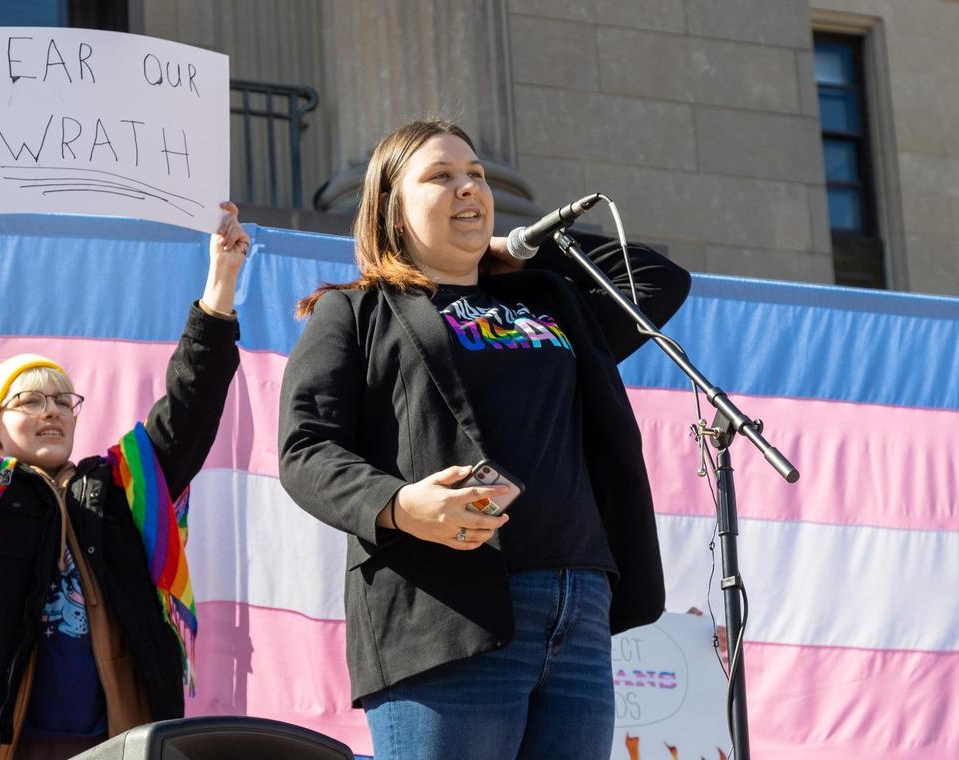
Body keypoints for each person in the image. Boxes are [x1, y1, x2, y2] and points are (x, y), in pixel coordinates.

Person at [278, 120, 691, 760]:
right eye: (441, 177)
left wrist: (525, 248)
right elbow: (306, 448)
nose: (469, 187)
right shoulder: (357, 312)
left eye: (475, 174)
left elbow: (658, 279)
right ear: (390, 205)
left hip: (576, 605)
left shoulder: (549, 302)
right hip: (448, 609)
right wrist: (397, 505)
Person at [0, 169, 250, 760]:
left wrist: (221, 280)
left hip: (115, 742)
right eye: (28, 400)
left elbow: (191, 407)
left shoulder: (118, 488)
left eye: (63, 400)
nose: (51, 412)